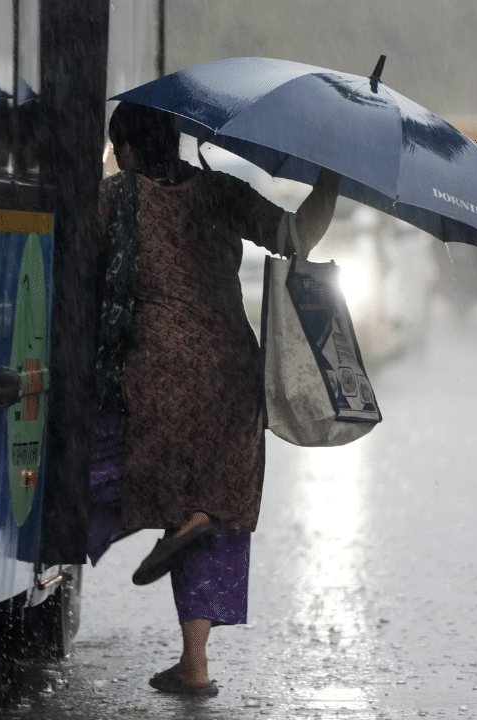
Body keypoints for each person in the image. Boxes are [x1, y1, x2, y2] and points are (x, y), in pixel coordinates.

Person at [90, 101, 339, 696]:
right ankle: (194, 663)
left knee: (102, 478)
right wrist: (330, 177)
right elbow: (295, 235)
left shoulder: (115, 197)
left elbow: (68, 259)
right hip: (231, 374)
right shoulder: (219, 193)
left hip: (155, 372)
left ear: (124, 147)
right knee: (215, 510)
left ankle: (41, 570)